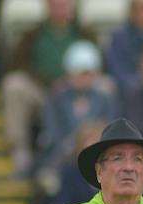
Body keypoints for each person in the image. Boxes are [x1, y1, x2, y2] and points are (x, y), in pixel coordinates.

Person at [1, 0, 98, 173]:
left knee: (106, 86)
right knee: (14, 85)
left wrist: (71, 81)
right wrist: (46, 81)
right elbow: (17, 65)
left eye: (65, 3)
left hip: (76, 91)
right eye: (56, 3)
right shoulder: (33, 34)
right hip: (41, 91)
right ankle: (20, 150)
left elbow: (98, 65)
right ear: (47, 6)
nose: (61, 6)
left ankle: (100, 147)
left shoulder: (85, 33)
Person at [36, 41, 118, 179]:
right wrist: (72, 144)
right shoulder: (57, 98)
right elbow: (51, 130)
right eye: (80, 73)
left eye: (88, 73)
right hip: (62, 156)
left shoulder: (105, 97)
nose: (84, 78)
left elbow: (110, 126)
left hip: (97, 155)